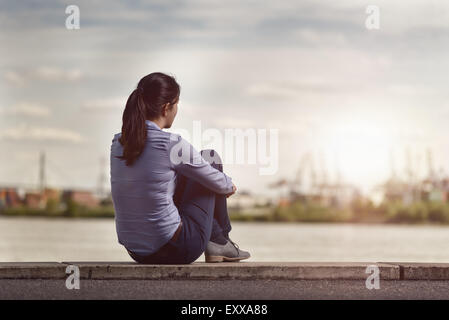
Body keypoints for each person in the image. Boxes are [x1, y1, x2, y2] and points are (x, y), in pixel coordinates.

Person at [110, 72, 250, 264]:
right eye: (176, 104)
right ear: (167, 107)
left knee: (182, 174)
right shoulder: (171, 144)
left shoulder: (118, 142)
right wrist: (229, 185)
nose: (176, 110)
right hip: (176, 249)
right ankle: (221, 240)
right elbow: (220, 183)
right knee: (209, 157)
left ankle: (219, 241)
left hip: (136, 252)